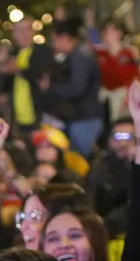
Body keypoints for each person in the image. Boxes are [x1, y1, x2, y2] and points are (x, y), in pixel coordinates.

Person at [41, 19, 104, 159]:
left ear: (63, 37)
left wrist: (50, 88)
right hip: (83, 118)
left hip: (85, 119)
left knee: (79, 162)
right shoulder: (79, 55)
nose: (53, 44)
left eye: (54, 39)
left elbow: (76, 89)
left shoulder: (80, 56)